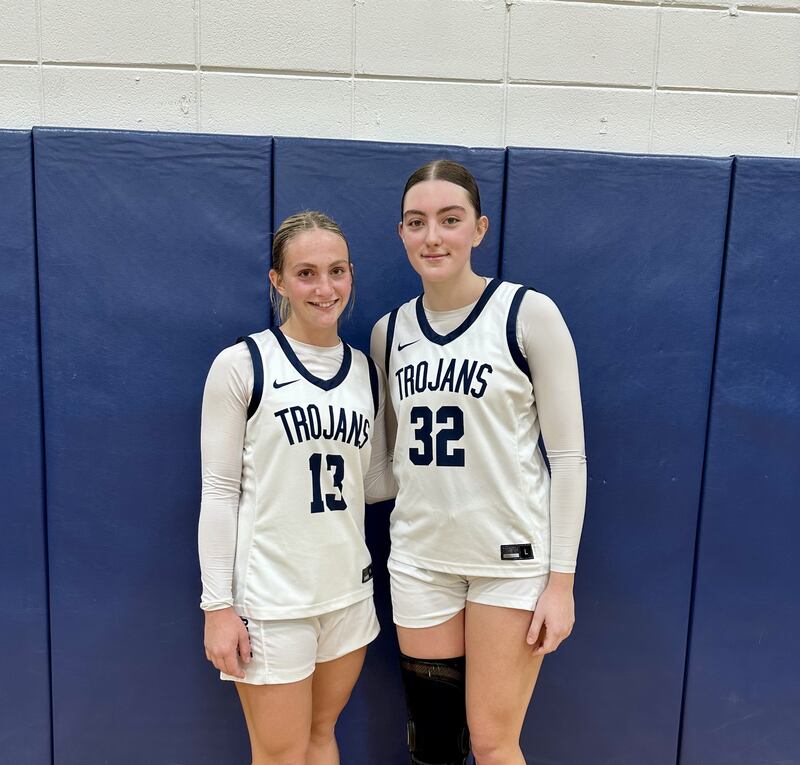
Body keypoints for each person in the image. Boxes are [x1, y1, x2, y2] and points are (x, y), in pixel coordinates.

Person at [371, 160, 587, 765]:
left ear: (479, 229)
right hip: (420, 560)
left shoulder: (527, 314)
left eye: (449, 219)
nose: (432, 236)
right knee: (433, 746)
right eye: (417, 222)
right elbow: (388, 464)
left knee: (493, 745)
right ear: (401, 234)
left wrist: (562, 582)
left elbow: (568, 458)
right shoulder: (389, 332)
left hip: (508, 563)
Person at [199, 211, 394, 765]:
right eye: (305, 273)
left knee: (320, 734)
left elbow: (373, 481)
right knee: (280, 753)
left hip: (346, 590)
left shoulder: (365, 371)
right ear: (277, 281)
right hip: (271, 599)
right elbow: (218, 493)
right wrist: (218, 606)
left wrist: (456, 466)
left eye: (336, 271)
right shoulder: (241, 365)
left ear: (351, 275)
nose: (324, 288)